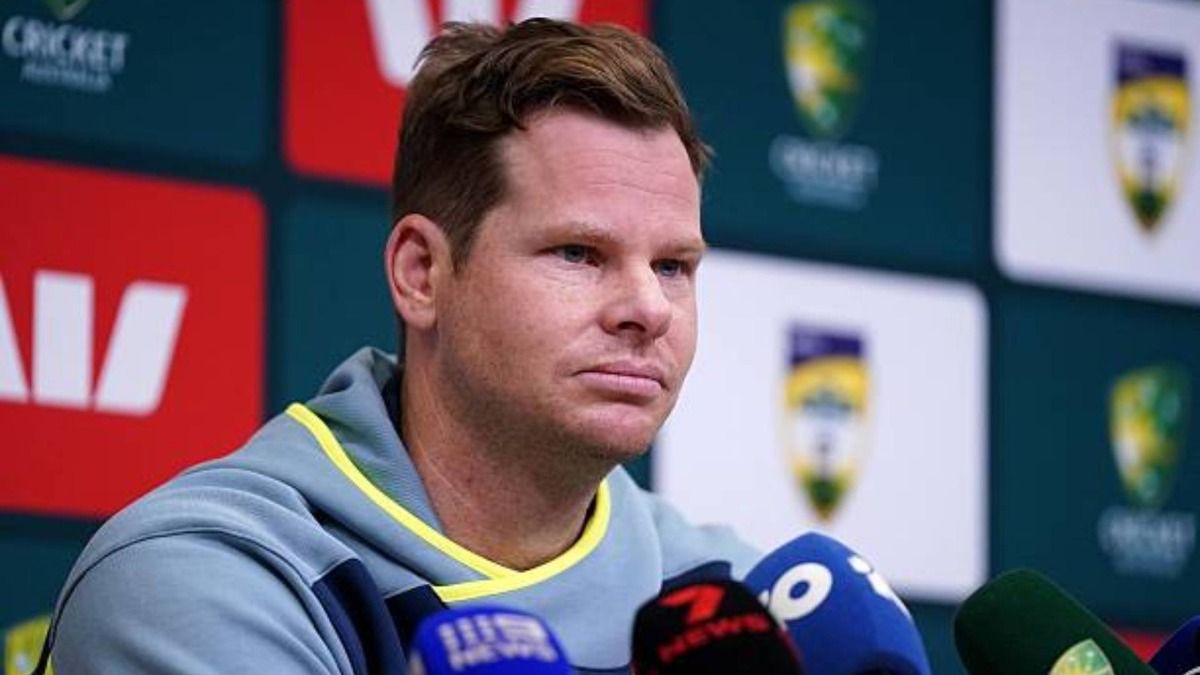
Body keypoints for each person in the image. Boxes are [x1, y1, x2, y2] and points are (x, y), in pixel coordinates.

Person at [36, 18, 757, 675]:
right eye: (578, 252)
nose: (648, 308)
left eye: (674, 266)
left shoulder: (740, 600)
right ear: (422, 274)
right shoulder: (201, 579)